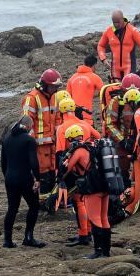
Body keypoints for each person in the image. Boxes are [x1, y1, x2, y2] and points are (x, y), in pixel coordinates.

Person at [53, 93, 100, 247]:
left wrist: (59, 176)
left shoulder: (62, 128)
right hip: (90, 168)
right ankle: (88, 232)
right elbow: (98, 137)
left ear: (60, 111)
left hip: (75, 169)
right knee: (85, 200)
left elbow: (60, 153)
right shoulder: (85, 124)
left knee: (78, 201)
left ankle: (83, 235)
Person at [62, 125, 112, 259]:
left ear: (70, 138)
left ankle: (98, 251)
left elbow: (66, 169)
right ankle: (106, 251)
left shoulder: (79, 151)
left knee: (95, 218)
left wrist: (65, 161)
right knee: (104, 218)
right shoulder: (92, 146)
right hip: (105, 185)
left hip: (93, 188)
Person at [1, 116, 44, 248]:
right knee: (34, 206)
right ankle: (28, 237)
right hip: (25, 179)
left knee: (12, 209)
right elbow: (33, 162)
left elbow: (3, 162)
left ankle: (7, 240)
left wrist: (7, 176)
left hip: (10, 179)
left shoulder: (7, 139)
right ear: (28, 126)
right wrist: (37, 179)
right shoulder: (29, 140)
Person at [21, 68, 63, 193]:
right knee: (42, 176)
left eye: (56, 87)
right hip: (39, 145)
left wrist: (59, 134)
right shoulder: (32, 98)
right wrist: (30, 143)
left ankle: (51, 199)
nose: (54, 90)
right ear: (44, 85)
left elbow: (58, 118)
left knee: (53, 175)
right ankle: (41, 200)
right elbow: (26, 123)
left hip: (53, 144)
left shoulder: (54, 97)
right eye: (52, 87)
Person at [102, 72, 140, 187]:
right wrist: (123, 140)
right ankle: (124, 187)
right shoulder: (116, 102)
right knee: (122, 172)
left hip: (139, 141)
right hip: (122, 143)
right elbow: (110, 124)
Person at [97, 9, 140, 82]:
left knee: (129, 87)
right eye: (114, 22)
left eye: (118, 22)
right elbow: (100, 46)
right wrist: (103, 59)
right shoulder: (109, 31)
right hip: (115, 68)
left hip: (129, 67)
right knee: (115, 88)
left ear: (123, 19)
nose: (116, 25)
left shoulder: (132, 30)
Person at [67, 54, 104, 123]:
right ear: (94, 65)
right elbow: (104, 92)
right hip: (86, 117)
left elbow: (67, 97)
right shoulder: (95, 77)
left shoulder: (72, 78)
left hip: (72, 117)